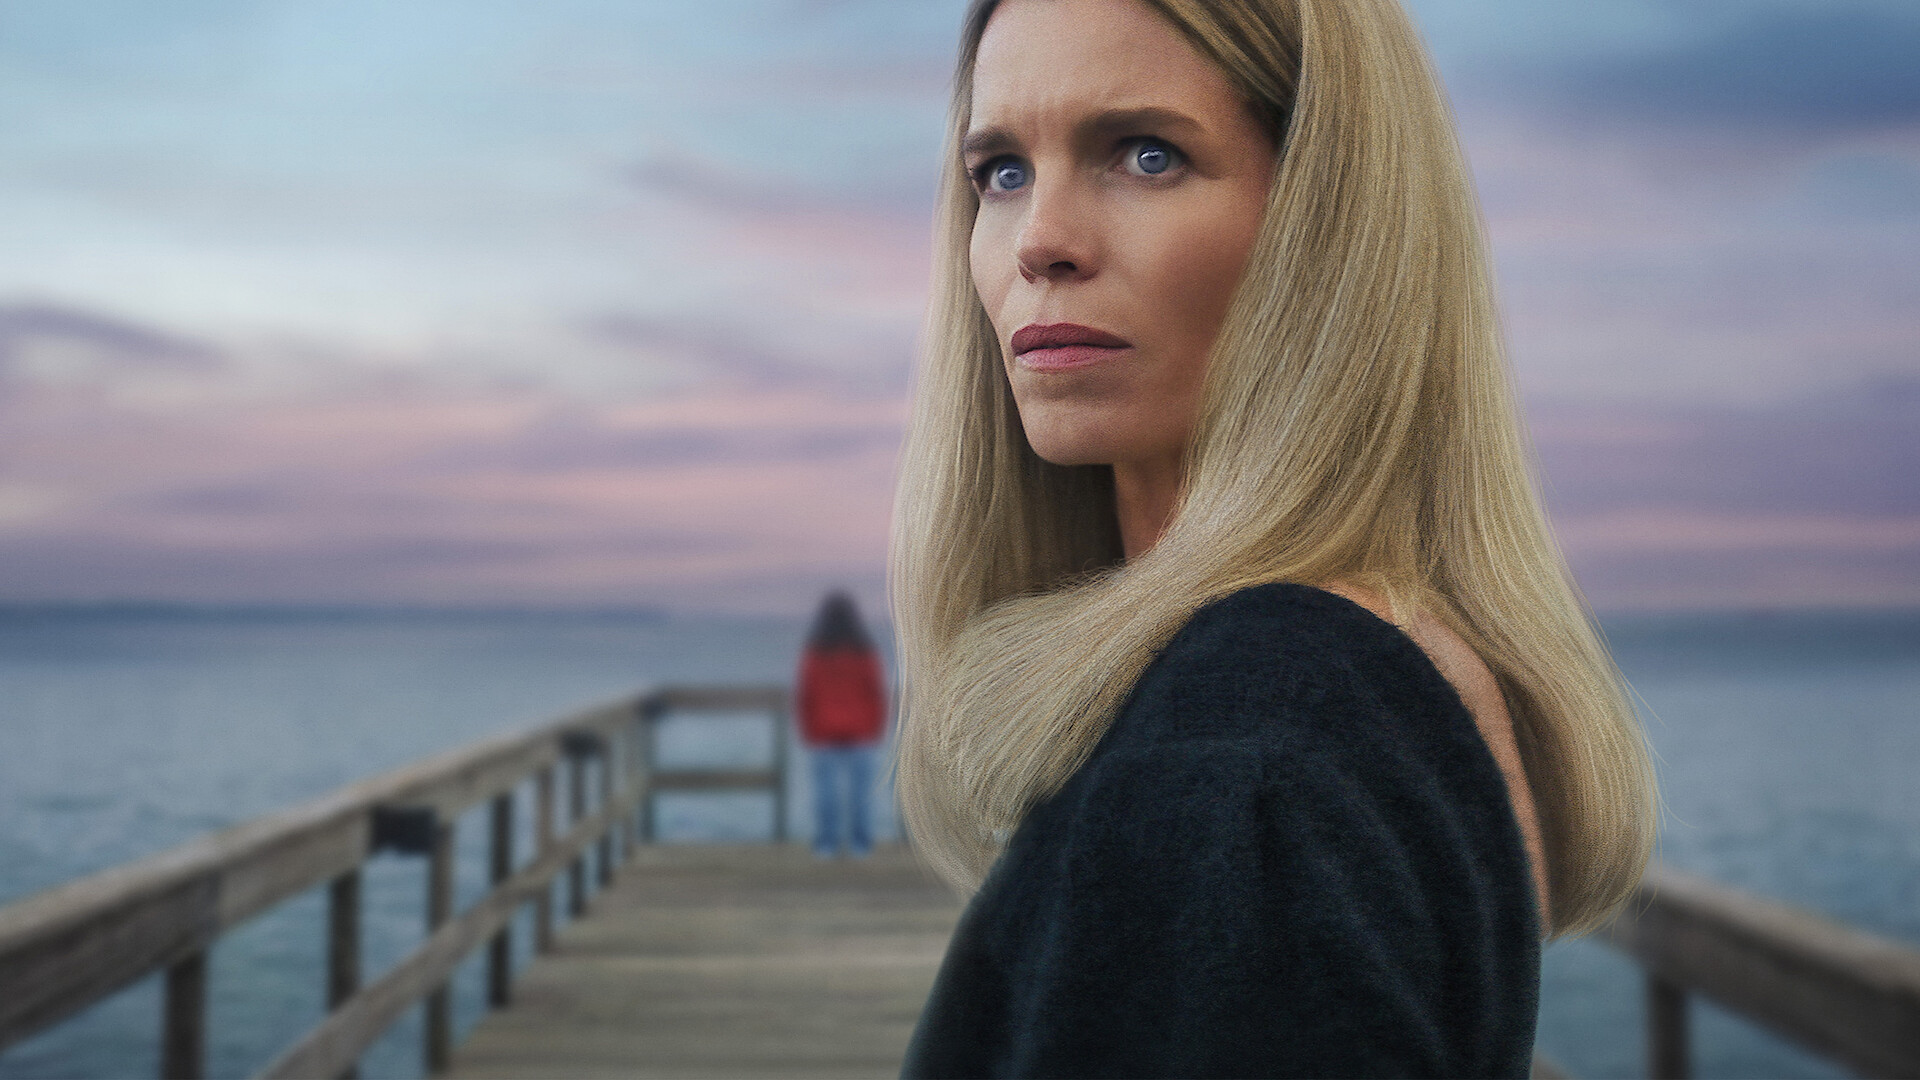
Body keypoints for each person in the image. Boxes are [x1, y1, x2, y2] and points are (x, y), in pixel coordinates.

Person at [890, 0, 1657, 1076]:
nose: (1039, 242)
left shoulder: (1257, 753)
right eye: (1001, 171)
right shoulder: (1350, 683)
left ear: (1329, 222)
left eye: (1144, 154)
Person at [796, 591, 888, 858]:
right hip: (861, 731)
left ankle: (826, 844)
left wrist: (809, 731)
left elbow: (806, 696)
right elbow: (875, 694)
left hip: (824, 732)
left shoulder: (815, 654)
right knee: (861, 795)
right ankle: (861, 845)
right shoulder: (865, 652)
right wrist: (875, 729)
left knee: (826, 795)